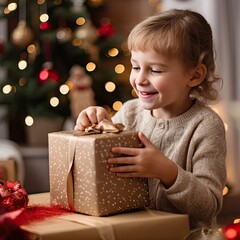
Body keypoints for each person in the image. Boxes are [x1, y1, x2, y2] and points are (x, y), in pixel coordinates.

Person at [74, 9, 227, 229]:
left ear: (194, 75)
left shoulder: (205, 126)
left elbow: (209, 205)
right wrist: (92, 127)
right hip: (133, 231)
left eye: (155, 70)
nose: (140, 79)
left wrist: (168, 172)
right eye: (136, 67)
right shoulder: (129, 112)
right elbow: (100, 166)